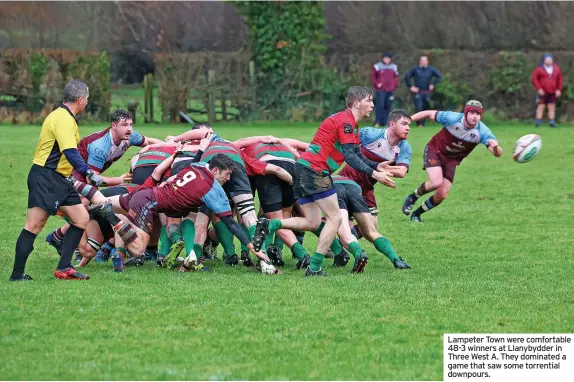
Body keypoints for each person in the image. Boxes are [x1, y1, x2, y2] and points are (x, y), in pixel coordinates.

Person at [252, 86, 396, 277]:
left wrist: (377, 167)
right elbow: (350, 158)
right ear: (356, 103)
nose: (372, 105)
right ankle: (315, 266)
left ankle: (270, 225)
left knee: (312, 222)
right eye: (369, 100)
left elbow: (355, 154)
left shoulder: (349, 124)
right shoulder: (346, 122)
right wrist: (374, 174)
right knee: (335, 218)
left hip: (302, 169)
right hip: (315, 171)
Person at [88, 154, 271, 272]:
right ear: (215, 170)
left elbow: (194, 161)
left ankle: (74, 186)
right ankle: (111, 217)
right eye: (227, 174)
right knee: (137, 250)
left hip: (147, 194)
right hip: (149, 203)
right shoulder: (213, 189)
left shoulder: (199, 165)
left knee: (96, 201)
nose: (228, 179)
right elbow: (231, 223)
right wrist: (253, 248)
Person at [10, 79, 103, 281]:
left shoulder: (65, 117)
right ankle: (17, 275)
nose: (87, 102)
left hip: (60, 178)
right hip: (46, 176)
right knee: (34, 225)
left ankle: (64, 268)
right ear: (80, 100)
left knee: (81, 218)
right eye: (87, 99)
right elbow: (69, 151)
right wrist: (87, 172)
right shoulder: (62, 118)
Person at [402, 100, 503, 223]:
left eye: (478, 113)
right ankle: (412, 197)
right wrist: (408, 121)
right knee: (435, 182)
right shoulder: (452, 118)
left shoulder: (482, 131)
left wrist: (496, 147)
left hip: (452, 161)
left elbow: (497, 154)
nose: (475, 116)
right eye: (472, 112)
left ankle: (417, 214)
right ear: (465, 113)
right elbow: (428, 113)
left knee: (442, 194)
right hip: (435, 150)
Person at [339, 109, 412, 226]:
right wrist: (380, 167)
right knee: (340, 222)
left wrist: (380, 168)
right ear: (392, 125)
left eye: (409, 125)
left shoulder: (404, 148)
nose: (408, 128)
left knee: (372, 225)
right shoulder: (370, 134)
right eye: (404, 124)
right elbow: (347, 146)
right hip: (348, 179)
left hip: (367, 188)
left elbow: (402, 172)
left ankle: (343, 241)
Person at [331, 175, 411, 271]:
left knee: (344, 234)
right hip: (354, 187)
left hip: (334, 189)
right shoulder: (330, 173)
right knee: (371, 232)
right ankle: (397, 260)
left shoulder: (314, 178)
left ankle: (359, 254)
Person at [404, 56, 442, 127]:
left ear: (427, 61)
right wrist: (411, 86)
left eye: (425, 60)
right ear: (420, 61)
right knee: (419, 107)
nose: (423, 62)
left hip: (427, 92)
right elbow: (407, 77)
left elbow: (439, 76)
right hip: (417, 92)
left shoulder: (431, 69)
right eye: (422, 60)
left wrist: (433, 84)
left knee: (425, 107)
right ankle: (420, 124)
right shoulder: (415, 69)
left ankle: (422, 123)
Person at [531, 53, 563, 128]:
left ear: (552, 61)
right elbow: (534, 79)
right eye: (547, 60)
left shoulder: (556, 69)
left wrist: (559, 89)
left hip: (552, 92)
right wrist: (539, 88)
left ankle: (552, 122)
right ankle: (538, 122)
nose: (548, 61)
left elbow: (560, 80)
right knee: (541, 106)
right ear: (544, 61)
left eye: (550, 60)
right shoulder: (539, 69)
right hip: (542, 92)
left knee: (551, 106)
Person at [371, 52, 399, 127]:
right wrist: (377, 84)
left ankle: (385, 122)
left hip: (390, 90)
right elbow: (373, 77)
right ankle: (377, 122)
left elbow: (396, 78)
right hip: (381, 90)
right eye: (385, 58)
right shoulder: (377, 66)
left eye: (388, 58)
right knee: (380, 105)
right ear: (383, 58)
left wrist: (394, 85)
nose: (386, 60)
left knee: (388, 105)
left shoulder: (394, 67)